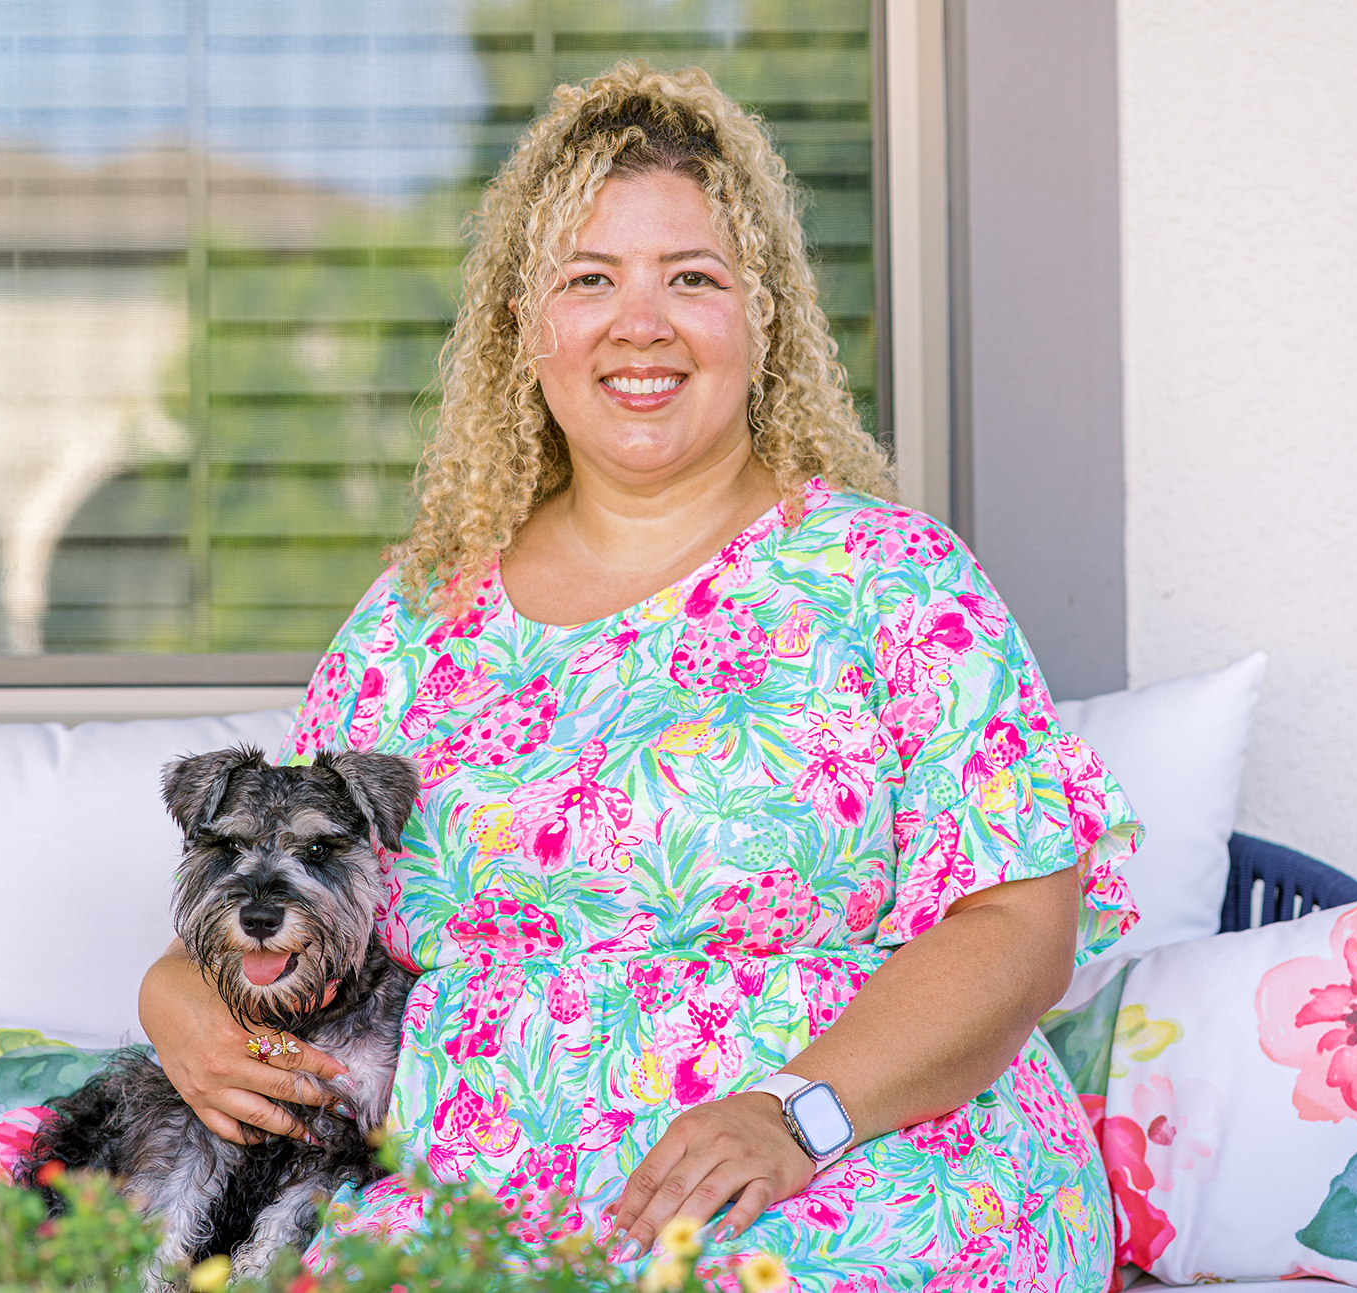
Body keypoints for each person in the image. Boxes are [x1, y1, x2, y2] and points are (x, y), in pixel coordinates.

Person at [140, 62, 1141, 1290]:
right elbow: (307, 902)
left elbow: (1019, 928)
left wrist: (793, 1114)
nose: (641, 322)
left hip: (846, 1167)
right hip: (476, 1202)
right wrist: (174, 995)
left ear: (760, 319)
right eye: (590, 278)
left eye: (692, 279)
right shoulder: (413, 619)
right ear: (525, 326)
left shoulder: (892, 579)